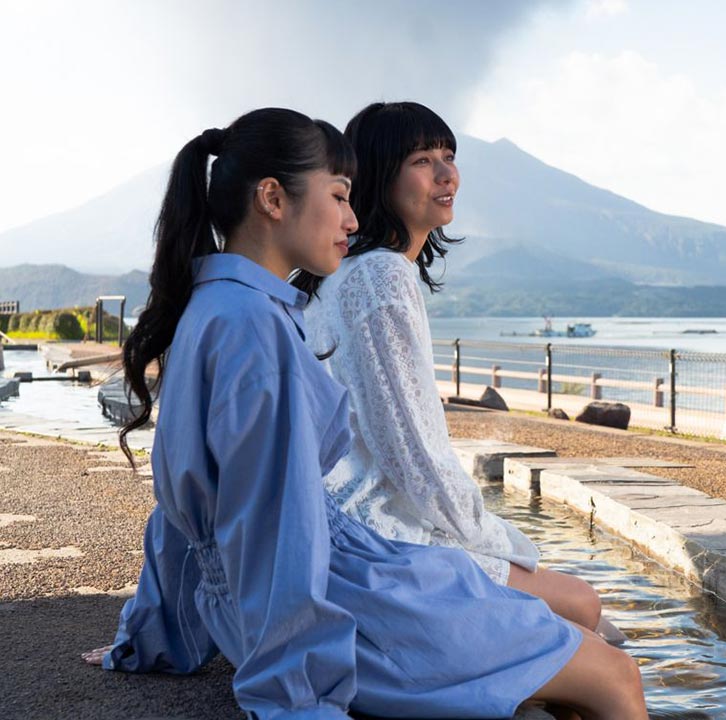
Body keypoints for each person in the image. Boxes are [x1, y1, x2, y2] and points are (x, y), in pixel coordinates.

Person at [87, 108, 646, 719]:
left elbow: (184, 511)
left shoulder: (218, 309)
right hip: (355, 594)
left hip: (289, 594)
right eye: (339, 196)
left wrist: (153, 635)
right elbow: (285, 534)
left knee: (570, 644)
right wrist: (299, 698)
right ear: (273, 199)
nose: (353, 219)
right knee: (614, 673)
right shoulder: (260, 331)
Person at [293, 102, 604, 632]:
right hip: (378, 534)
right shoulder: (381, 278)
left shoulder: (341, 271)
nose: (446, 174)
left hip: (341, 522)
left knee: (578, 615)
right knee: (583, 606)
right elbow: (409, 449)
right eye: (421, 159)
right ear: (379, 176)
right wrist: (486, 534)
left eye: (449, 155)